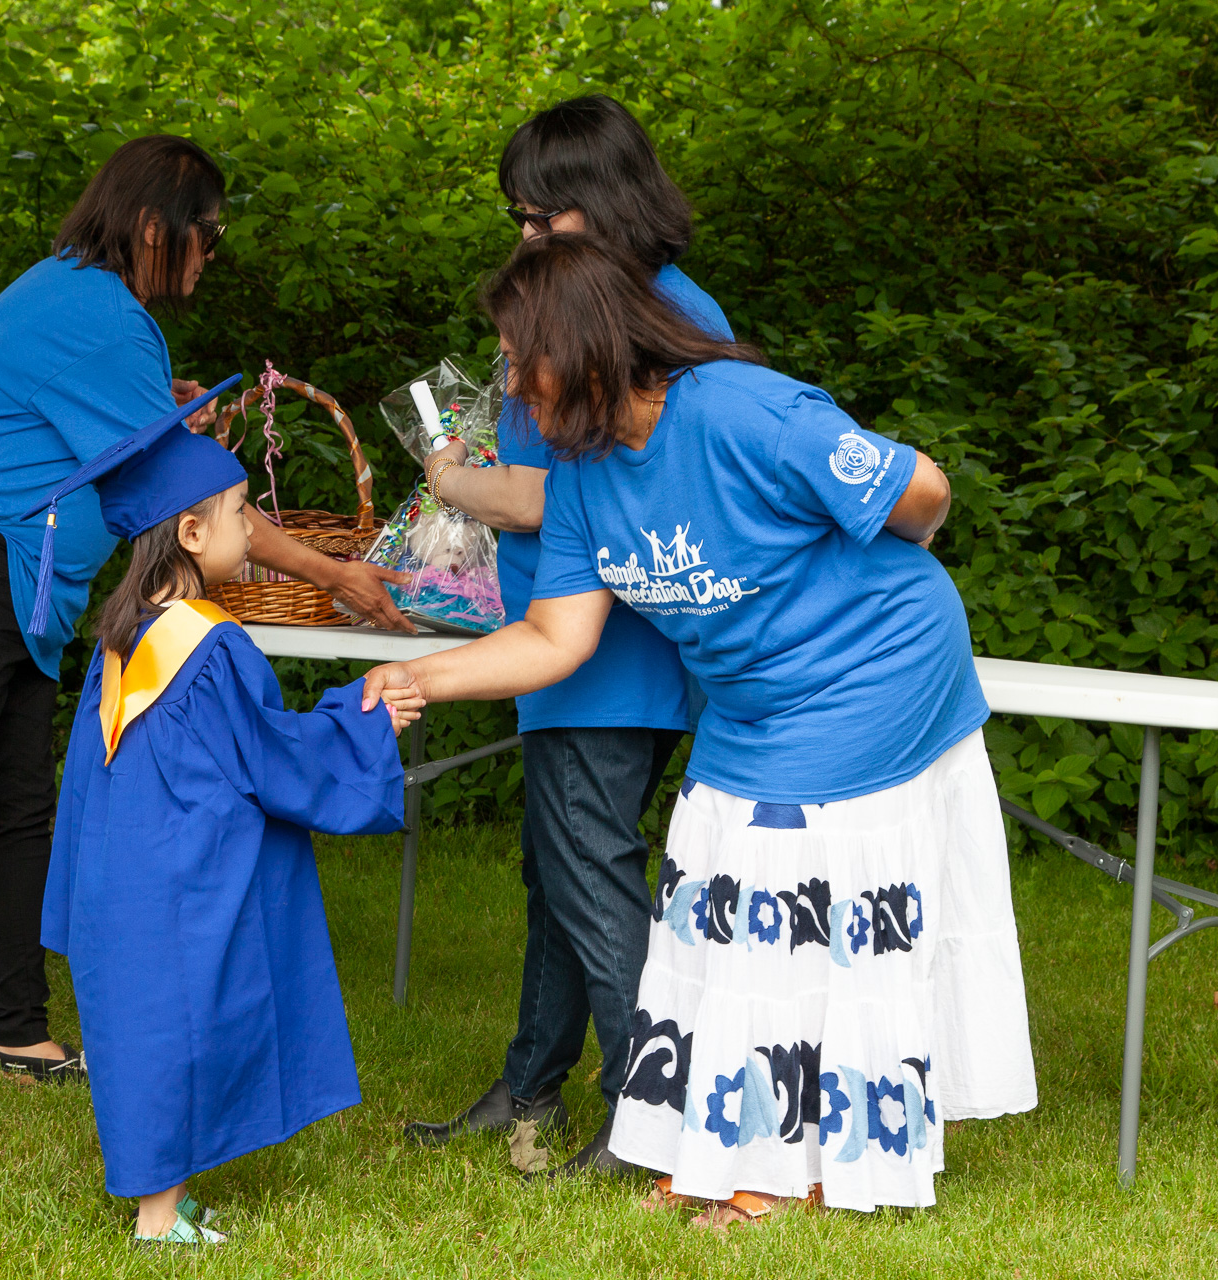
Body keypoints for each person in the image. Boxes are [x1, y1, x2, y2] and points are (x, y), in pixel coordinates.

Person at [366, 234, 1037, 1225]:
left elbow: (922, 489)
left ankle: (787, 1171)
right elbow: (554, 636)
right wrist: (418, 676)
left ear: (580, 348)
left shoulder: (743, 411)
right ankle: (715, 1141)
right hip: (753, 699)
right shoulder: (585, 475)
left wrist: (886, 551)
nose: (506, 384)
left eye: (517, 359)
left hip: (876, 671)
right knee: (706, 897)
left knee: (787, 898)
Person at [0, 135, 412, 1109]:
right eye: (208, 231)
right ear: (153, 226)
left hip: (11, 568)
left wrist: (162, 417)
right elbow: (188, 495)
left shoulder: (86, 301)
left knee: (21, 804)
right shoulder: (99, 314)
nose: (211, 252)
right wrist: (333, 572)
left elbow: (116, 444)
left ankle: (19, 1031)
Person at [404, 94, 728, 1177]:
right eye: (520, 218)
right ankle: (530, 1085)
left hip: (608, 648)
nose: (529, 238)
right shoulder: (580, 292)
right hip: (556, 633)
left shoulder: (661, 313)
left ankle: (650, 1110)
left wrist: (454, 482)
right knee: (558, 870)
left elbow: (581, 493)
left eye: (549, 218)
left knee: (591, 872)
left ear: (612, 199)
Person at [37, 402, 415, 1246]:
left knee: (152, 1031)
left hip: (128, 875)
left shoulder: (121, 638)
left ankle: (165, 1200)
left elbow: (88, 782)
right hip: (183, 876)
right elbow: (275, 759)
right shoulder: (210, 646)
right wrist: (364, 725)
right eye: (242, 512)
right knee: (178, 1033)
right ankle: (156, 1222)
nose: (253, 529)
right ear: (192, 534)